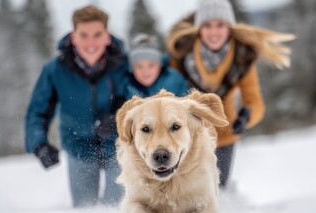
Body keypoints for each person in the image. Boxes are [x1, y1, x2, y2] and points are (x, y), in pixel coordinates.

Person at [167, 0, 294, 188]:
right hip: (188, 135)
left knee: (217, 189)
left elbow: (255, 102)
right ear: (199, 29)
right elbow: (169, 94)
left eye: (220, 25)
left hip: (224, 134)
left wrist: (246, 117)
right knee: (185, 191)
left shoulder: (242, 58)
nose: (214, 32)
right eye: (207, 25)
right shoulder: (182, 55)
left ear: (229, 27)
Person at [25, 5, 127, 207]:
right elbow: (38, 111)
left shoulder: (124, 63)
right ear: (73, 36)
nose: (91, 42)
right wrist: (39, 144)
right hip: (78, 148)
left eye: (97, 34)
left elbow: (141, 97)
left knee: (118, 209)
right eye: (84, 35)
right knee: (84, 210)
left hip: (119, 146)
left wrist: (117, 118)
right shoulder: (55, 69)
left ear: (107, 36)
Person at [123, 33, 189, 99]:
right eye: (139, 67)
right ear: (131, 68)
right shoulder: (125, 84)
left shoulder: (175, 80)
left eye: (151, 65)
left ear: (160, 65)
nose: (146, 72)